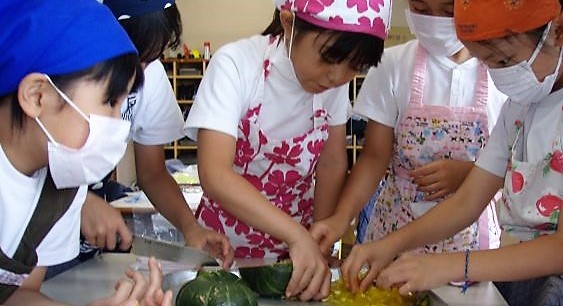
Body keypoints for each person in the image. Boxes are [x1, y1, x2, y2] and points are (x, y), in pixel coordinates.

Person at [340, 0, 563, 305]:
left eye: (504, 60)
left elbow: (558, 249)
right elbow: (468, 200)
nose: (501, 76)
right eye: (488, 64)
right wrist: (390, 245)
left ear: (557, 32)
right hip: (525, 278)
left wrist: (450, 264)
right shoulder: (520, 105)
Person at [184, 0, 391, 301]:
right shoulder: (236, 65)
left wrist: (319, 241)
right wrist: (296, 235)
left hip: (294, 260)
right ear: (288, 23)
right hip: (224, 255)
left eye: (354, 67)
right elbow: (215, 174)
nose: (337, 77)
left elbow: (332, 163)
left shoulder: (333, 85)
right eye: (328, 58)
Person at [0, 0, 171, 305]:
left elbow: (18, 295)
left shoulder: (62, 190)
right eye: (109, 102)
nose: (119, 124)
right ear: (37, 95)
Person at [312, 0, 507, 258]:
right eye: (421, 10)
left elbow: (516, 163)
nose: (435, 21)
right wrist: (342, 217)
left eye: (449, 11)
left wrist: (472, 175)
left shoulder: (503, 74)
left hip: (468, 241)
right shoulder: (393, 64)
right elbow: (374, 157)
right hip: (395, 227)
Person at [72, 0, 234, 269]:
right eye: (136, 57)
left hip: (88, 233)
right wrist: (75, 204)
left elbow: (152, 173)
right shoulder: (66, 70)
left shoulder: (151, 75)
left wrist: (190, 228)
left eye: (151, 58)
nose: (141, 71)